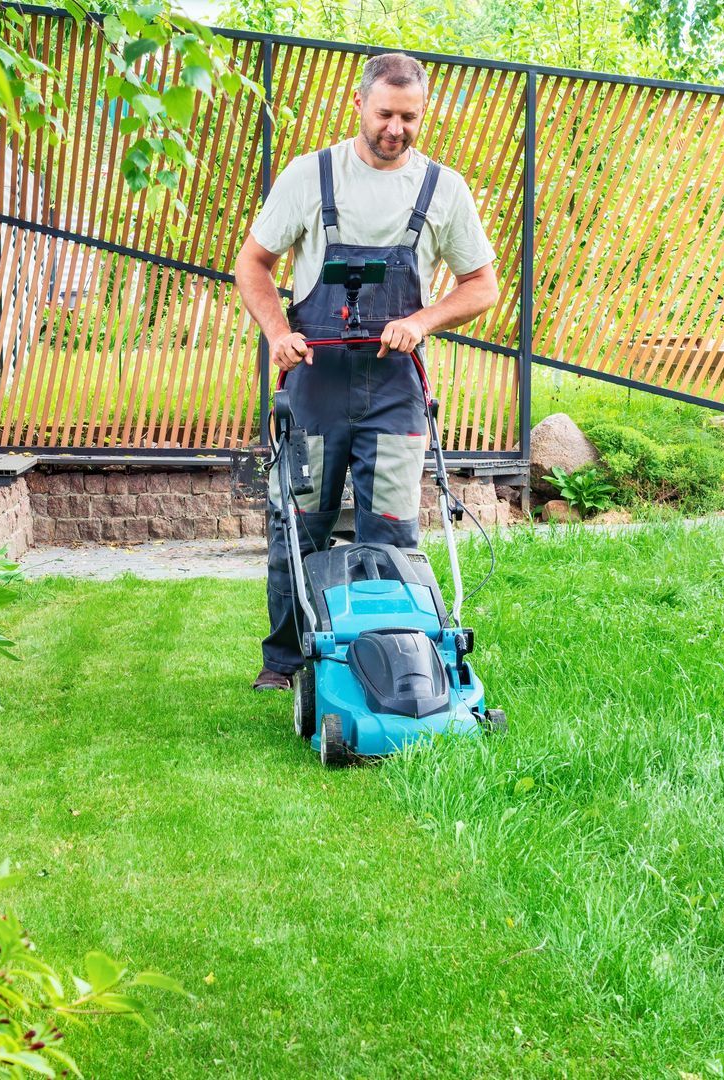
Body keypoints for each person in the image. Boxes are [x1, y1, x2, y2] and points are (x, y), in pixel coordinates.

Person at [232, 51, 500, 692]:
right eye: (385, 113)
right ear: (360, 105)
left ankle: (389, 661)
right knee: (300, 524)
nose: (396, 128)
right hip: (316, 385)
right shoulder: (310, 176)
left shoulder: (444, 190)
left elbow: (482, 285)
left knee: (393, 535)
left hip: (394, 392)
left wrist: (424, 322)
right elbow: (253, 264)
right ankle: (288, 660)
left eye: (410, 117)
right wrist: (278, 333)